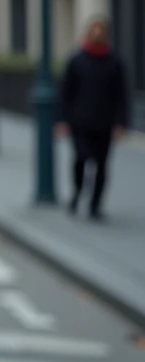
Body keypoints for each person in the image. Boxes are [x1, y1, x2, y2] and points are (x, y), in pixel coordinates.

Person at [58, 16, 129, 220]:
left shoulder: (114, 61)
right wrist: (63, 120)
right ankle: (78, 191)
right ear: (89, 33)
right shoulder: (77, 60)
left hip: (104, 123)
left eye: (101, 30)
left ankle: (95, 204)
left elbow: (121, 95)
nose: (98, 33)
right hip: (80, 122)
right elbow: (66, 92)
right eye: (94, 29)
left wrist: (121, 122)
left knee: (102, 165)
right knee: (81, 159)